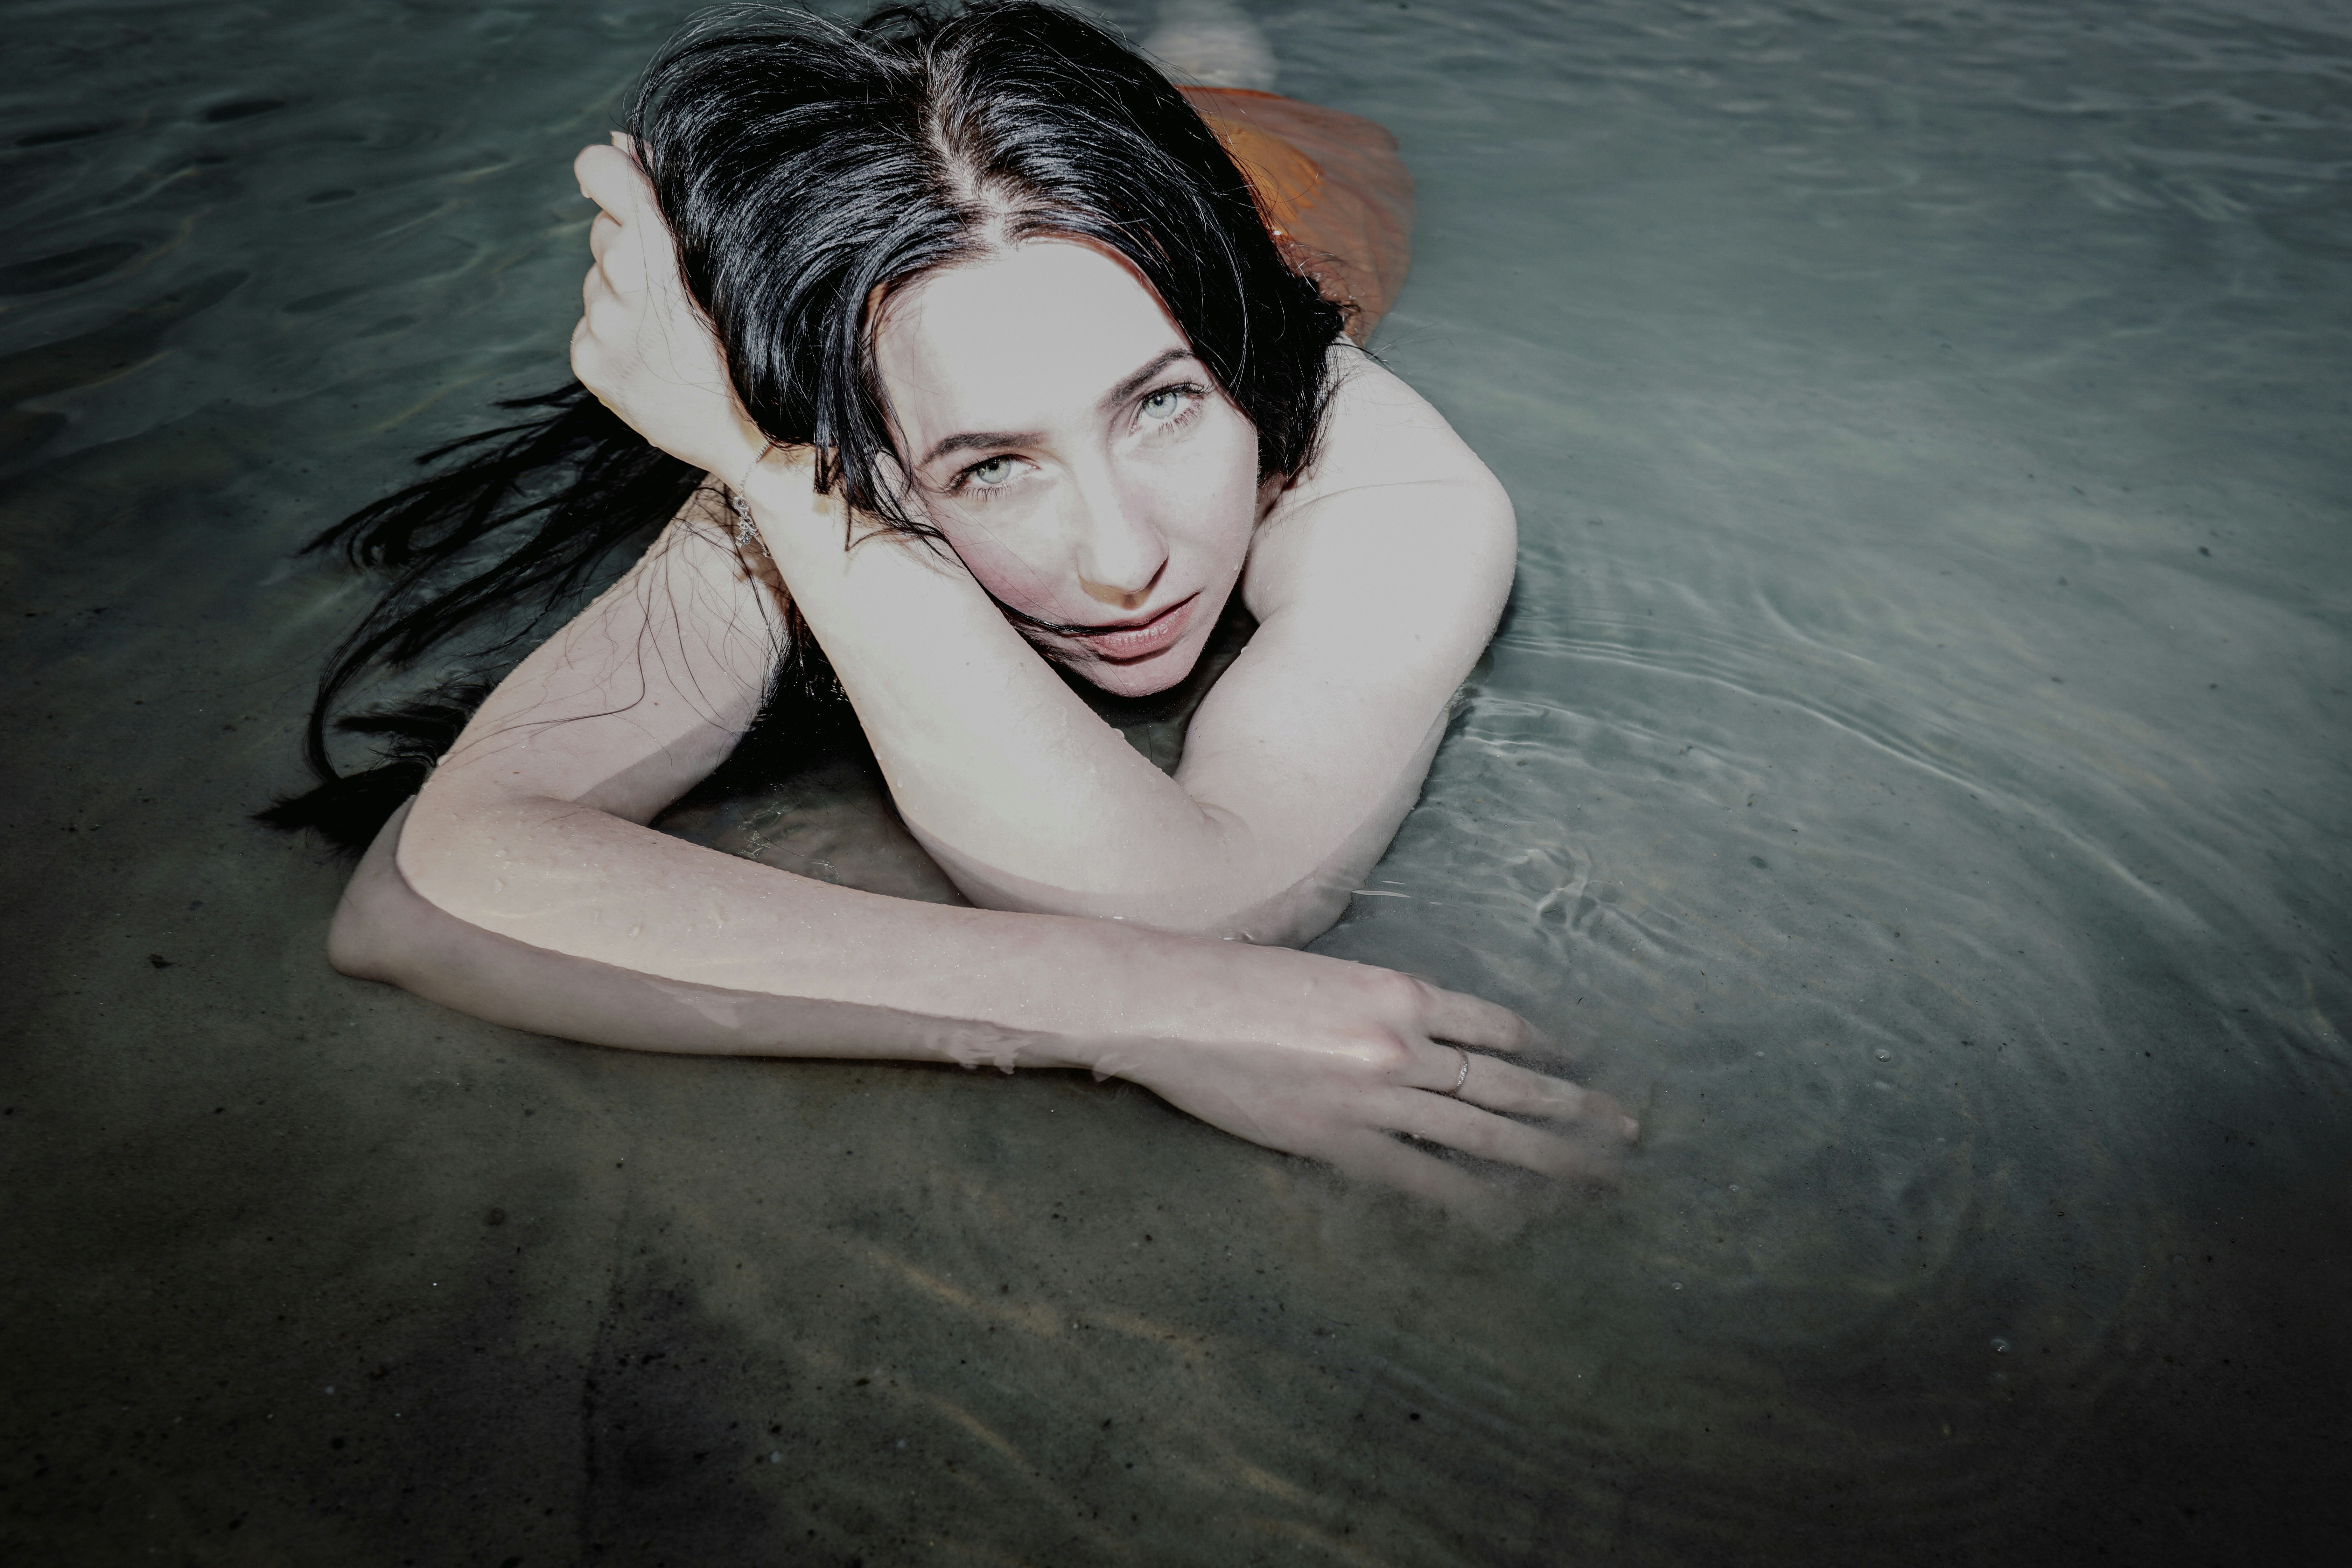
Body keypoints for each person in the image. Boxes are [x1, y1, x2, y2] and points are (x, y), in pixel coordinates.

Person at [273, 0, 1636, 1212]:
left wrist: (1168, 971)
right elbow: (422, 896)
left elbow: (1199, 896)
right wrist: (1143, 1010)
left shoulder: (1400, 489)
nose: (1123, 564)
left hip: (1282, 194)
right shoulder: (823, 448)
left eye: (1164, 405)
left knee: (1227, 93)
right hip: (1034, 238)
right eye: (990, 465)